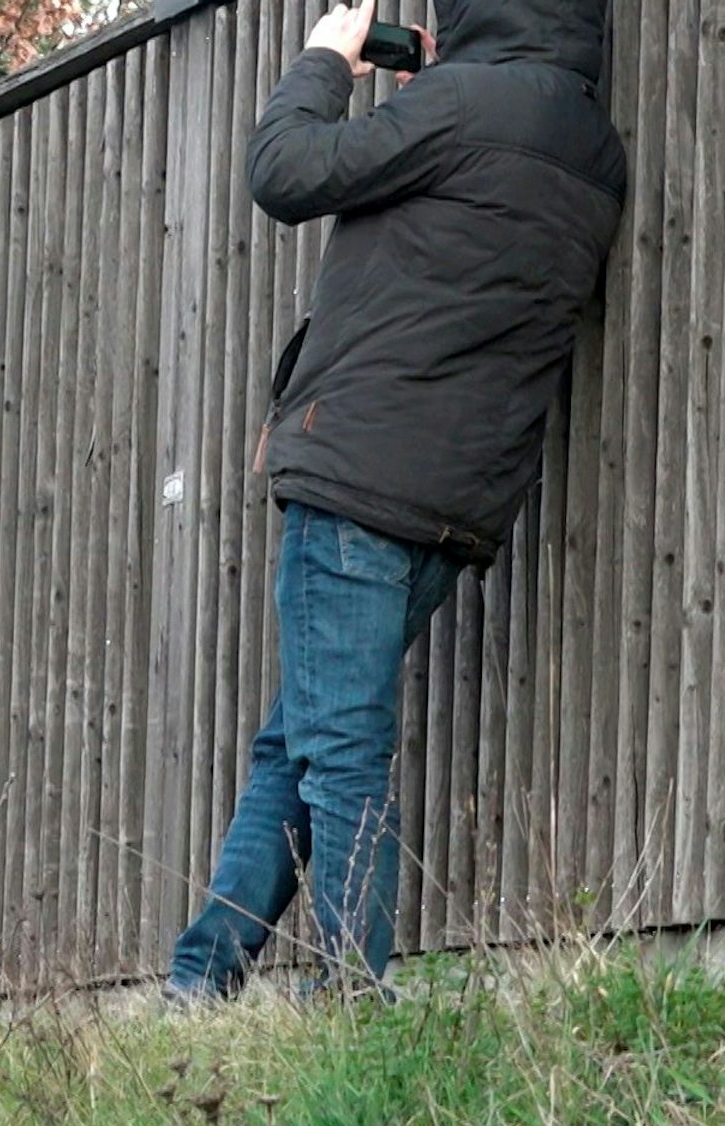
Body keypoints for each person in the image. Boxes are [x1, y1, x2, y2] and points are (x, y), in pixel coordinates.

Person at [166, 0, 627, 1001]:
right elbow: (458, 231)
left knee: (337, 757)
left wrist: (322, 59)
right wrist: (445, 80)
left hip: (355, 478)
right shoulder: (588, 144)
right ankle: (196, 983)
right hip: (454, 500)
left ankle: (348, 1002)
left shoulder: (461, 106)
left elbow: (282, 170)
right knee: (300, 740)